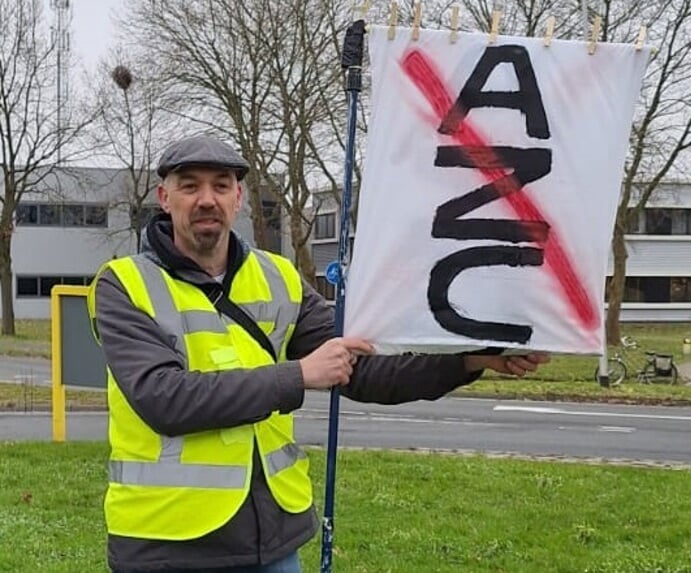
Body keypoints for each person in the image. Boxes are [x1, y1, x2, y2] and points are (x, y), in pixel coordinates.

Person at [87, 135, 549, 573]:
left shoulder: (279, 276)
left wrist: (469, 359)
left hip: (273, 537)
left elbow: (363, 371)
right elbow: (164, 399)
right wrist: (299, 375)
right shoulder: (122, 284)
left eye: (221, 186)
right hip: (167, 544)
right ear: (164, 199)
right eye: (190, 187)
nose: (206, 199)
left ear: (239, 198)